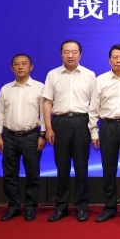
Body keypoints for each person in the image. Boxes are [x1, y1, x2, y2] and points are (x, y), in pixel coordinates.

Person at [42, 40, 96, 222]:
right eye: (66, 52)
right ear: (61, 54)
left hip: (82, 122)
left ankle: (81, 207)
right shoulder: (53, 75)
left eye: (74, 52)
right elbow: (47, 102)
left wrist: (93, 130)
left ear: (80, 54)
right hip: (60, 122)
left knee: (81, 167)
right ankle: (61, 207)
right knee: (62, 167)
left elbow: (94, 105)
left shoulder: (89, 75)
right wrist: (48, 128)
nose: (70, 55)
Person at [89, 44, 120, 223]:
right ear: (109, 60)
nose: (118, 61)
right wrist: (94, 132)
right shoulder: (100, 80)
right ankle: (109, 207)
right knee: (108, 168)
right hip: (108, 127)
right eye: (115, 57)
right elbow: (93, 108)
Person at [0, 54, 45, 222]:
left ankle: (30, 206)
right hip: (9, 136)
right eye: (16, 64)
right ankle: (13, 206)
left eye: (24, 64)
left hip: (31, 135)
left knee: (32, 173)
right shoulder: (6, 89)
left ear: (31, 67)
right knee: (9, 173)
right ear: (12, 68)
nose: (20, 67)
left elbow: (44, 115)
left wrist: (42, 135)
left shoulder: (40, 87)